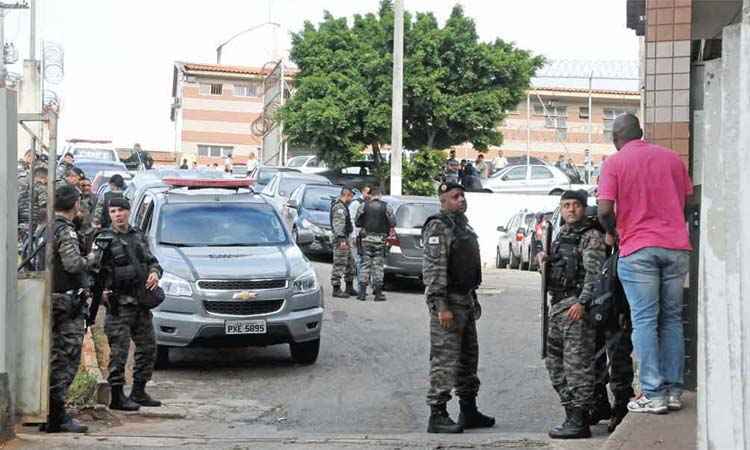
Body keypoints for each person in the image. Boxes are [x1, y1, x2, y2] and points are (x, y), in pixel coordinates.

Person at [598, 113, 692, 415]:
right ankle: (674, 390)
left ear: (616, 139)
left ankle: (653, 393)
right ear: (642, 132)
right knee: (672, 319)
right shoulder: (672, 159)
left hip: (638, 249)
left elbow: (603, 210)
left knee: (645, 321)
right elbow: (687, 201)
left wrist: (613, 233)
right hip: (676, 247)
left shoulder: (615, 163)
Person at [423, 181, 494, 434]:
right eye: (455, 196)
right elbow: (434, 270)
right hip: (448, 303)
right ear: (443, 200)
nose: (461, 200)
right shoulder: (438, 226)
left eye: (462, 196)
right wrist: (441, 306)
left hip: (464, 299)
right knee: (445, 360)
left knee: (467, 358)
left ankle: (468, 410)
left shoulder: (462, 226)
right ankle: (438, 414)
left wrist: (473, 298)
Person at [537, 189, 606, 439]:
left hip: (576, 309)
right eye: (566, 205)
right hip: (557, 307)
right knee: (554, 364)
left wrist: (583, 302)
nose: (570, 210)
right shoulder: (562, 234)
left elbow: (595, 274)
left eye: (575, 205)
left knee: (578, 367)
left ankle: (579, 419)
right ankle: (571, 412)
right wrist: (545, 259)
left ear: (583, 207)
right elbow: (558, 269)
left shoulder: (591, 236)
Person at [95, 197, 163, 411]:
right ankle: (117, 396)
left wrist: (154, 273)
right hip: (119, 305)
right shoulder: (104, 239)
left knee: (148, 347)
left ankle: (139, 391)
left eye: (121, 210)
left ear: (128, 211)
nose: (117, 214)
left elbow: (153, 261)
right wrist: (101, 292)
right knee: (120, 351)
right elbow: (93, 271)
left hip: (140, 303)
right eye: (113, 211)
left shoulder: (137, 235)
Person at [43, 185, 97, 433]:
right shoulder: (66, 231)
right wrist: (94, 257)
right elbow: (73, 264)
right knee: (66, 359)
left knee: (49, 357)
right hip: (65, 305)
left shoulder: (43, 226)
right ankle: (57, 416)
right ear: (74, 204)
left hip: (46, 300)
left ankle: (47, 411)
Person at [354, 186, 396, 301]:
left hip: (366, 240)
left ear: (370, 195)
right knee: (378, 266)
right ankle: (378, 294)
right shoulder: (386, 206)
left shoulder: (364, 205)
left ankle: (362, 293)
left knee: (365, 265)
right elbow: (393, 222)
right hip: (380, 241)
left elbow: (357, 222)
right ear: (380, 195)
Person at [329, 186, 357, 298]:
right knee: (340, 263)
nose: (352, 199)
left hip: (346, 238)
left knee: (350, 263)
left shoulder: (343, 206)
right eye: (351, 197)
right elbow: (339, 225)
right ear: (347, 195)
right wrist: (342, 241)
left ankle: (349, 287)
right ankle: (336, 289)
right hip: (341, 239)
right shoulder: (339, 207)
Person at [18, 164, 49, 236]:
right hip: (34, 227)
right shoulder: (41, 188)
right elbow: (44, 209)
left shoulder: (23, 190)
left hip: (21, 228)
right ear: (44, 178)